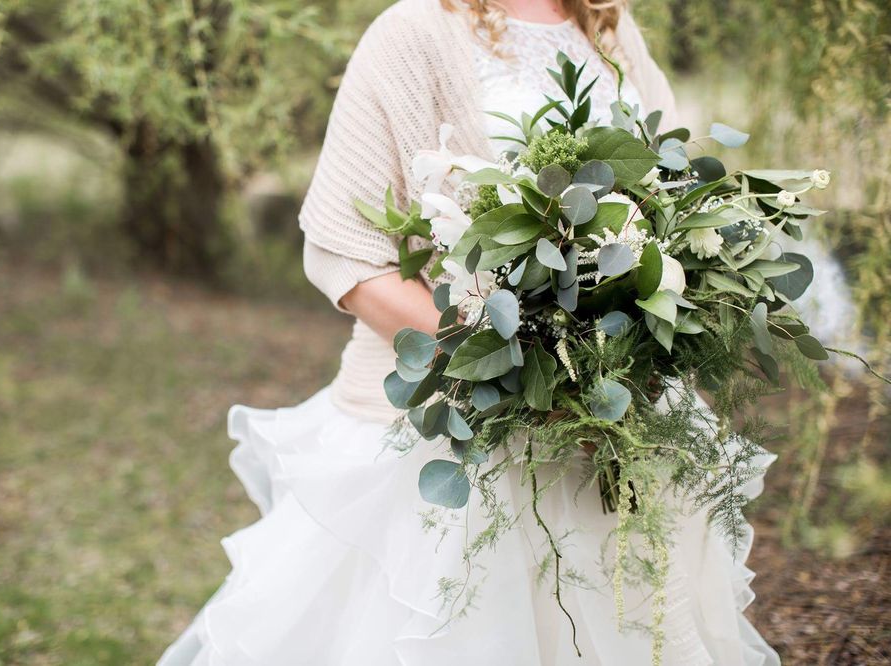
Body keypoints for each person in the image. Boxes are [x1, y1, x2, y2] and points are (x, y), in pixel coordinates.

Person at [159, 1, 781, 663]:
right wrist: (519, 360)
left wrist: (642, 343)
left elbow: (672, 201)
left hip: (610, 434)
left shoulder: (609, 24)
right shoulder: (414, 30)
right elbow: (348, 257)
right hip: (454, 442)